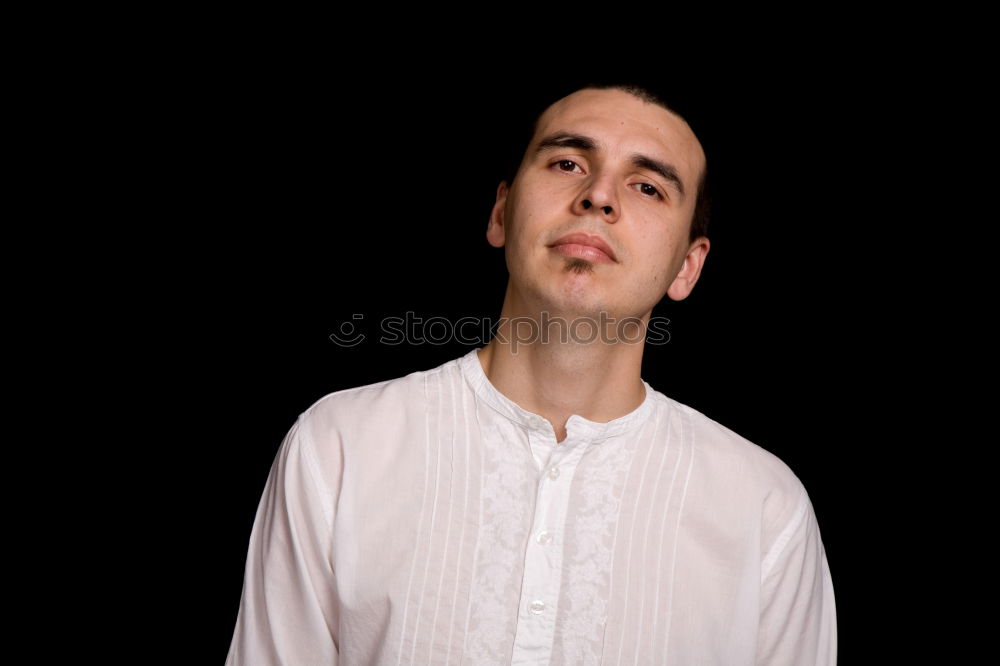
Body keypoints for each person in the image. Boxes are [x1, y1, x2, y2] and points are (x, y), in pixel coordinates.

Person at [225, 79, 837, 665]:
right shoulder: (338, 446)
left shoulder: (764, 508)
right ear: (501, 212)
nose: (599, 196)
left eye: (648, 186)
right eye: (568, 163)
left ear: (688, 267)